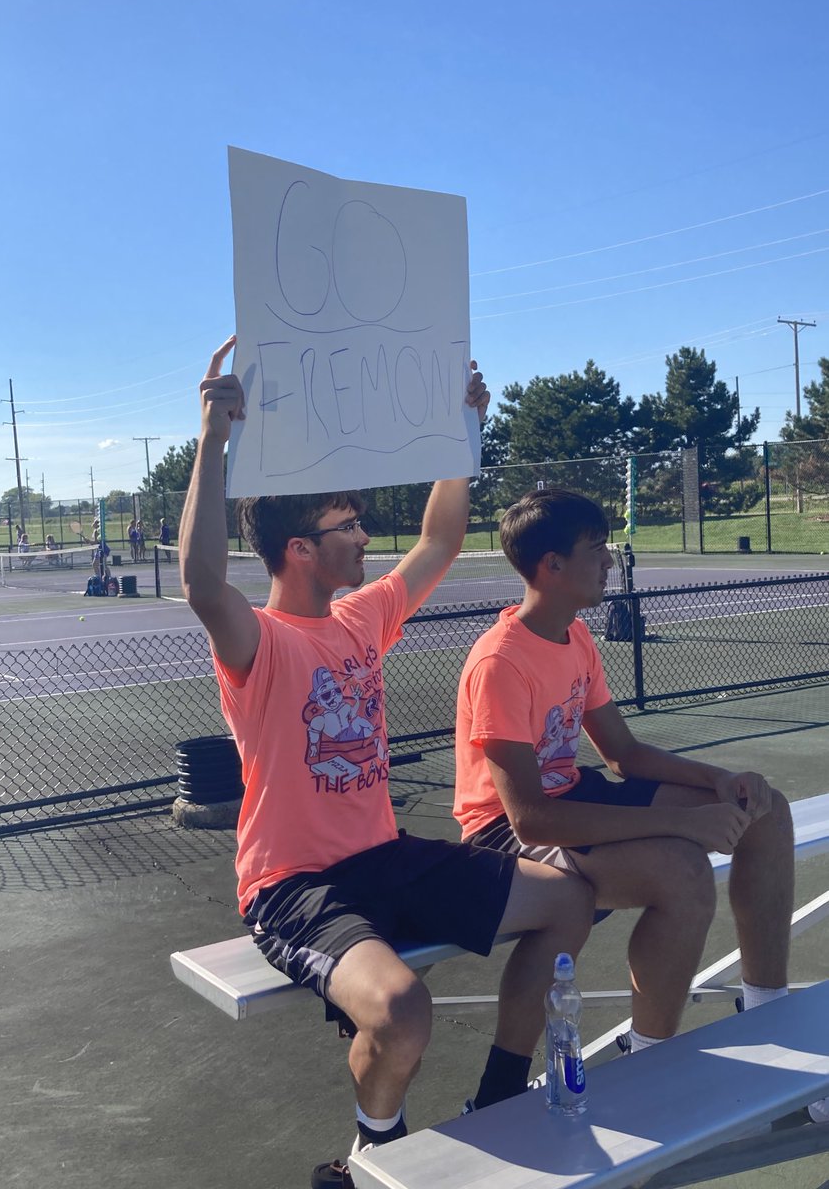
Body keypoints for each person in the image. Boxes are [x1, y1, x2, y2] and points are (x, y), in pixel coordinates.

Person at [180, 339, 595, 1182]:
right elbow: (200, 582)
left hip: (384, 856)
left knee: (569, 900)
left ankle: (498, 1096)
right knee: (404, 1009)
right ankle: (373, 1153)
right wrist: (213, 438)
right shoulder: (260, 641)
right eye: (348, 526)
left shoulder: (361, 617)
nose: (366, 536)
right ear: (301, 549)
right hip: (296, 885)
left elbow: (441, 537)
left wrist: (460, 429)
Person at [453, 488, 819, 1087]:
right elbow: (529, 819)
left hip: (572, 798)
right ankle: (647, 1060)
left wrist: (720, 780)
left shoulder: (574, 636)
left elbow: (623, 755)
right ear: (552, 565)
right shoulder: (501, 663)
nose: (608, 560)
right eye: (595, 548)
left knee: (765, 809)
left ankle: (766, 1011)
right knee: (681, 871)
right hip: (502, 835)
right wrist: (684, 822)